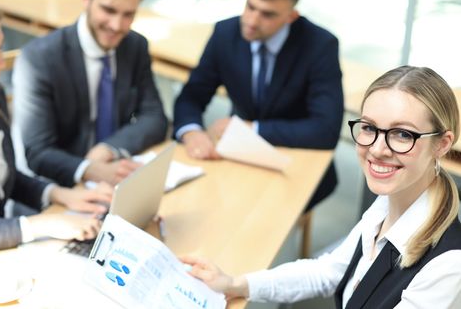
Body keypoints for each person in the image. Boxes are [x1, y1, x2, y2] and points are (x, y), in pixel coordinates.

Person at [181, 66, 461, 308]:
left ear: (442, 144)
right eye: (368, 128)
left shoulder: (447, 266)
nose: (377, 149)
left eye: (402, 134)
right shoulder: (393, 199)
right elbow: (330, 272)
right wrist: (236, 283)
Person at [0, 0, 115, 291]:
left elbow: (1, 176)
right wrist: (42, 224)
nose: (0, 63)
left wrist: (58, 195)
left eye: (0, 48)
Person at [173, 0, 343, 209]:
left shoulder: (320, 46)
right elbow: (191, 96)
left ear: (291, 16)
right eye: (250, 6)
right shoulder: (225, 34)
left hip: (295, 161)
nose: (252, 21)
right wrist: (191, 132)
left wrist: (251, 129)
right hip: (234, 157)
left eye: (267, 14)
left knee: (265, 215)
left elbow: (326, 130)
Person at [12, 0, 168, 187]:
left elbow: (155, 117)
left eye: (128, 15)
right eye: (109, 10)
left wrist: (108, 149)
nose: (117, 25)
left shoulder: (135, 46)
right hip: (61, 186)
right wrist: (90, 169)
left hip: (115, 175)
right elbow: (37, 152)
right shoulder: (39, 59)